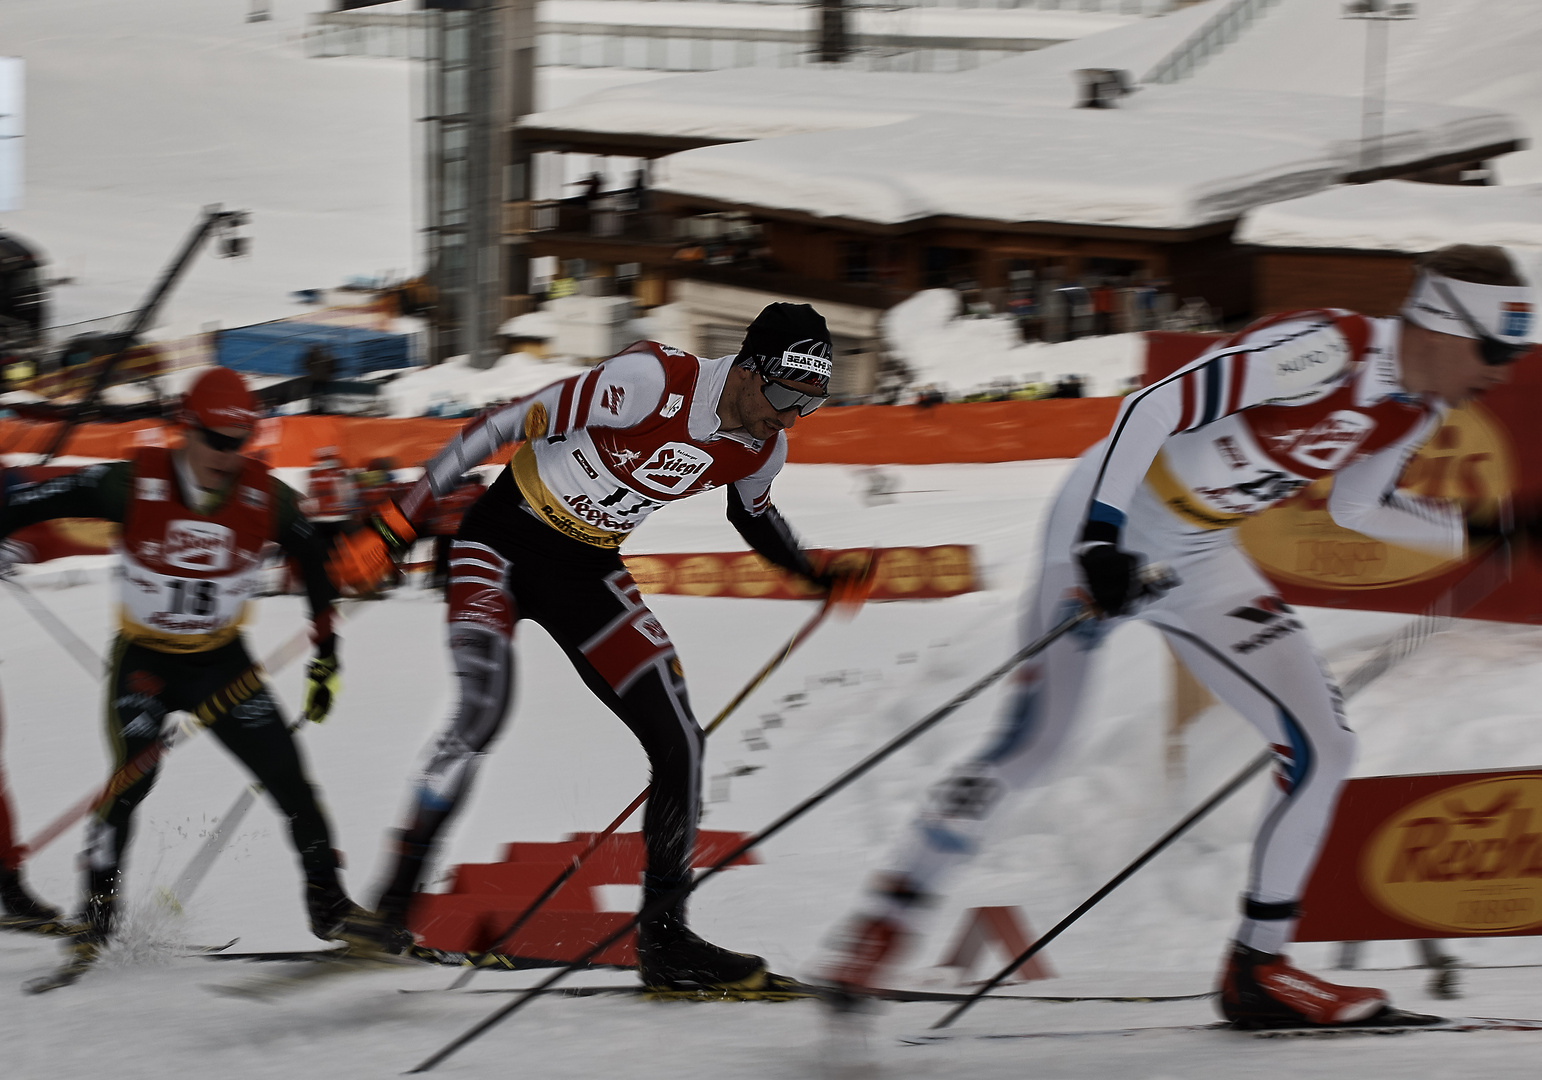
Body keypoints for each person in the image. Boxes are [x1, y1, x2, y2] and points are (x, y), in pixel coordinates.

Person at [816, 245, 1533, 1029]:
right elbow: (1151, 409)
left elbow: (1358, 508)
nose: (1499, 373)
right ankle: (883, 922)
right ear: (1439, 323)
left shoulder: (1415, 406)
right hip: (1102, 531)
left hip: (1197, 555)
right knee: (1038, 744)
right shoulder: (1328, 350)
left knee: (1324, 745)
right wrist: (1100, 540)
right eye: (1494, 351)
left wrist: (1484, 530)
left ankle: (1258, 971)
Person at [327, 303, 869, 991]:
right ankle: (390, 911)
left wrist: (818, 572)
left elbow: (752, 515)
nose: (790, 416)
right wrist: (399, 522)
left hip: (585, 569)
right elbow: (499, 425)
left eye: (810, 403)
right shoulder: (650, 380)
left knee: (681, 743)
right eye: (786, 394)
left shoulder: (764, 447)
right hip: (500, 542)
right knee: (481, 711)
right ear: (747, 367)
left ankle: (665, 941)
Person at [0, 367, 377, 962]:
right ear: (186, 428)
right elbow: (40, 501)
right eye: (217, 441)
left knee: (288, 776)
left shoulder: (267, 497)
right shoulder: (131, 483)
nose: (228, 457)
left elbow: (314, 562)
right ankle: (97, 916)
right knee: (134, 776)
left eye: (240, 443)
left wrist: (326, 658)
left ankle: (330, 906)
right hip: (145, 663)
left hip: (221, 664)